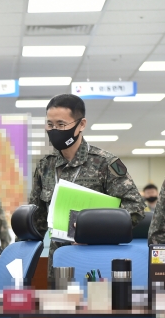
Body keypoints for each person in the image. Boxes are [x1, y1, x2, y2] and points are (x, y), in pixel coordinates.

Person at [29, 94, 144, 283]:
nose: (55, 130)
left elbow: (135, 208)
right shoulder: (45, 166)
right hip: (58, 263)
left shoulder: (105, 163)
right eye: (50, 125)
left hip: (96, 260)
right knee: (58, 310)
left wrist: (94, 231)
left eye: (61, 124)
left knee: (96, 309)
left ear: (81, 124)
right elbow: (37, 219)